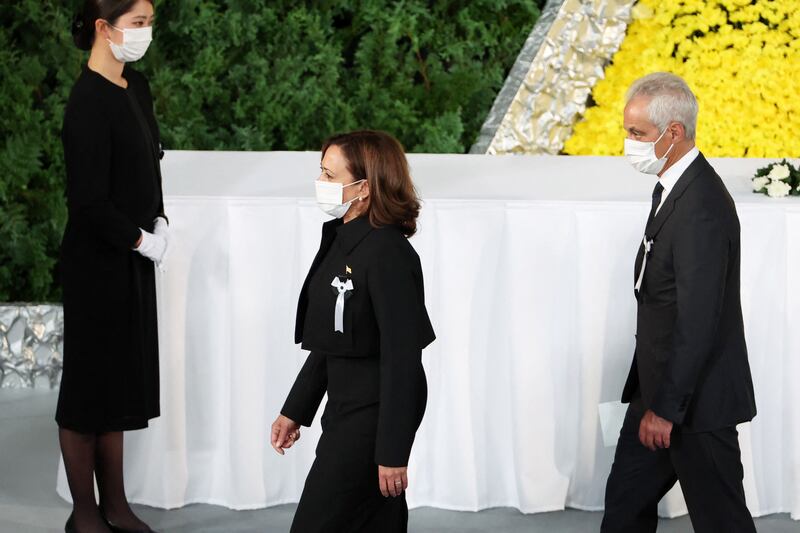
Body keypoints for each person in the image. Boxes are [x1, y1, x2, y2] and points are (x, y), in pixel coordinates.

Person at [601, 72, 757, 532]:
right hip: (660, 389)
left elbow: (698, 320)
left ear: (674, 133)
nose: (628, 145)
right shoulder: (671, 187)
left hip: (695, 404)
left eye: (637, 135)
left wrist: (666, 409)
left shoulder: (702, 205)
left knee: (721, 520)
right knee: (625, 509)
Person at [270, 130, 436, 532]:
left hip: (374, 415)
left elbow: (403, 361)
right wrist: (296, 408)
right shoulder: (343, 239)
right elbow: (333, 341)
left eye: (330, 176)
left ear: (364, 187)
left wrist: (394, 451)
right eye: (321, 173)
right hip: (344, 409)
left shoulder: (388, 254)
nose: (321, 185)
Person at [57, 1, 168, 532]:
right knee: (87, 389)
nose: (146, 33)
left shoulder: (135, 87)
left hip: (133, 257)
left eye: (149, 22)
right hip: (96, 264)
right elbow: (88, 202)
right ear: (105, 27)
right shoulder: (86, 103)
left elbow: (152, 160)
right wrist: (141, 239)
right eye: (138, 23)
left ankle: (116, 505)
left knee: (118, 383)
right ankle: (84, 514)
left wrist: (160, 219)